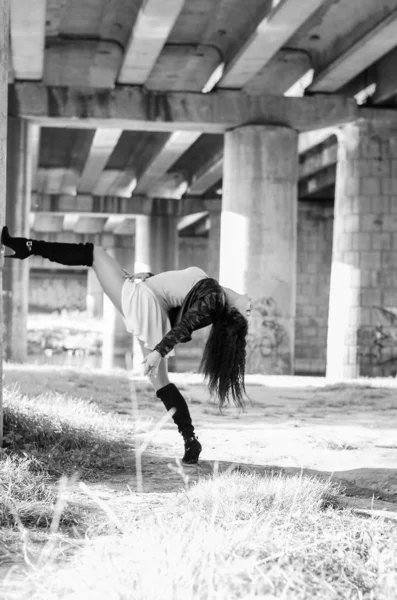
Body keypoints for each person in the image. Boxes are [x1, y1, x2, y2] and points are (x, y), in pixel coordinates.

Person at [1, 226, 252, 465]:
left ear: (232, 313)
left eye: (243, 311)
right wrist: (153, 278)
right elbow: (185, 292)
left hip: (145, 301)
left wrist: (158, 352)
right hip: (149, 298)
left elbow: (184, 325)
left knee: (94, 253)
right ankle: (190, 440)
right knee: (161, 382)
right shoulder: (217, 293)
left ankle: (25, 247)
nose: (246, 308)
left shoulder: (213, 300)